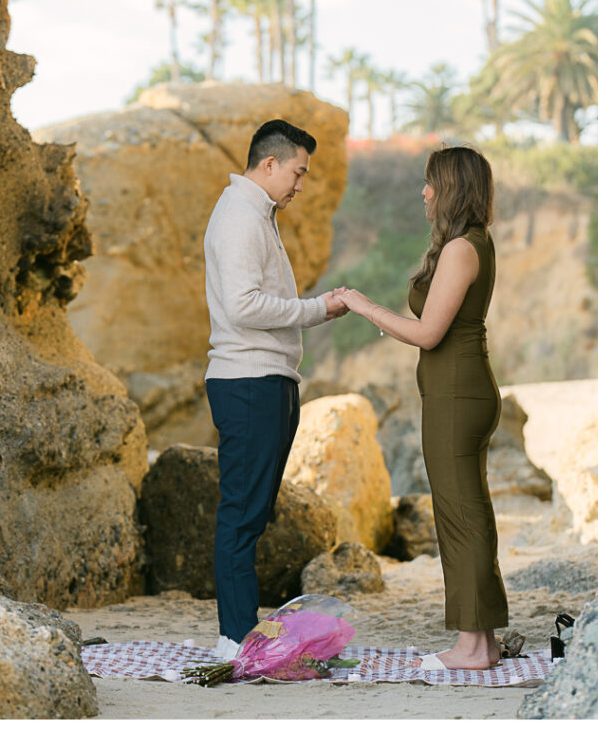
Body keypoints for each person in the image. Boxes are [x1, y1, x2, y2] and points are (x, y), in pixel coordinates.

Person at [340, 143, 508, 670]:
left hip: (458, 395)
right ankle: (482, 640)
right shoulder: (468, 243)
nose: (424, 190)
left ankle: (471, 646)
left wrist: (364, 307)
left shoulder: (463, 247)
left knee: (461, 517)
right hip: (457, 392)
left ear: (452, 186)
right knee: (467, 513)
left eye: (431, 181)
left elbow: (428, 333)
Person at [203, 118, 347, 659]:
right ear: (269, 164)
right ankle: (234, 637)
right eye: (297, 171)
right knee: (241, 511)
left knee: (253, 511)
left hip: (267, 378)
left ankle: (242, 628)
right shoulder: (240, 215)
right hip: (246, 381)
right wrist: (317, 309)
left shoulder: (254, 213)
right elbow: (243, 305)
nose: (300, 184)